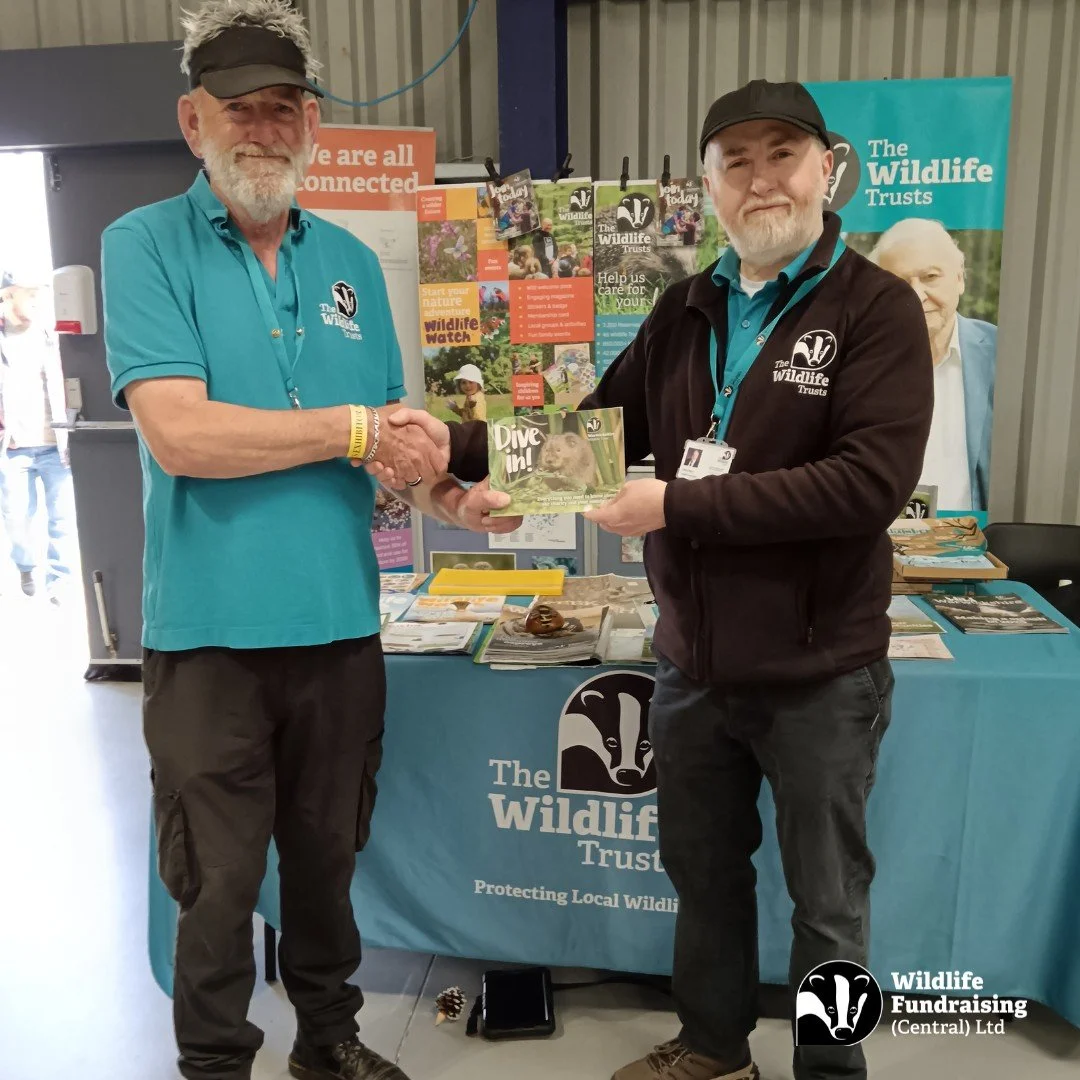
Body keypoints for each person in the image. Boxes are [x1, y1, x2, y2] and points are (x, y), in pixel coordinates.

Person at [380, 79, 933, 1080]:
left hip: (821, 674)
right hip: (695, 668)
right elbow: (596, 435)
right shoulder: (686, 307)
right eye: (737, 161)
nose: (762, 180)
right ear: (711, 185)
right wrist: (457, 444)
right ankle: (716, 1051)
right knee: (704, 878)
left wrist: (674, 505)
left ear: (825, 167)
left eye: (782, 155)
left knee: (829, 901)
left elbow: (865, 485)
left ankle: (831, 1071)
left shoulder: (876, 309)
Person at [100, 4, 509, 1080]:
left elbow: (385, 453)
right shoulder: (141, 246)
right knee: (218, 881)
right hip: (209, 641)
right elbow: (182, 434)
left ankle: (331, 1044)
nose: (264, 131)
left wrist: (451, 500)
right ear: (195, 122)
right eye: (240, 110)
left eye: (284, 110)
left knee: (329, 864)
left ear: (313, 124)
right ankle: (216, 1065)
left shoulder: (350, 268)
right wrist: (356, 429)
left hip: (338, 627)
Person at [868, 218, 997, 511]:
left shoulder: (1001, 353)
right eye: (899, 282)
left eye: (930, 276)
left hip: (974, 544)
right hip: (879, 543)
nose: (916, 294)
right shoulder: (858, 358)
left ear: (960, 279)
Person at [0, 276, 76, 603]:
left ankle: (59, 582)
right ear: (9, 297)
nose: (36, 301)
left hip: (54, 444)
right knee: (17, 518)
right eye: (29, 296)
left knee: (63, 519)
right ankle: (25, 565)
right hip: (14, 449)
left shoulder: (53, 336)